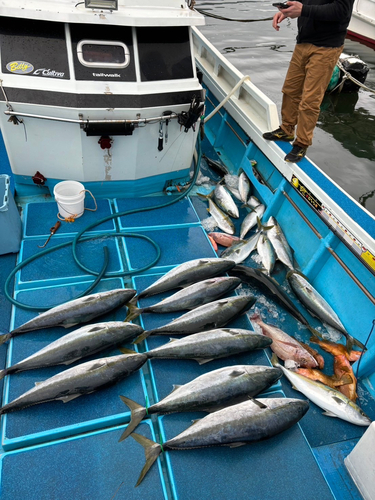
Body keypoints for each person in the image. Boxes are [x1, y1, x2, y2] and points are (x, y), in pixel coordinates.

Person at [263, 0, 354, 163]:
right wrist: (286, 11)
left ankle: (302, 143)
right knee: (290, 89)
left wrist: (303, 10)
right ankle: (286, 130)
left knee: (310, 99)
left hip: (326, 47)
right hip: (304, 41)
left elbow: (342, 10)